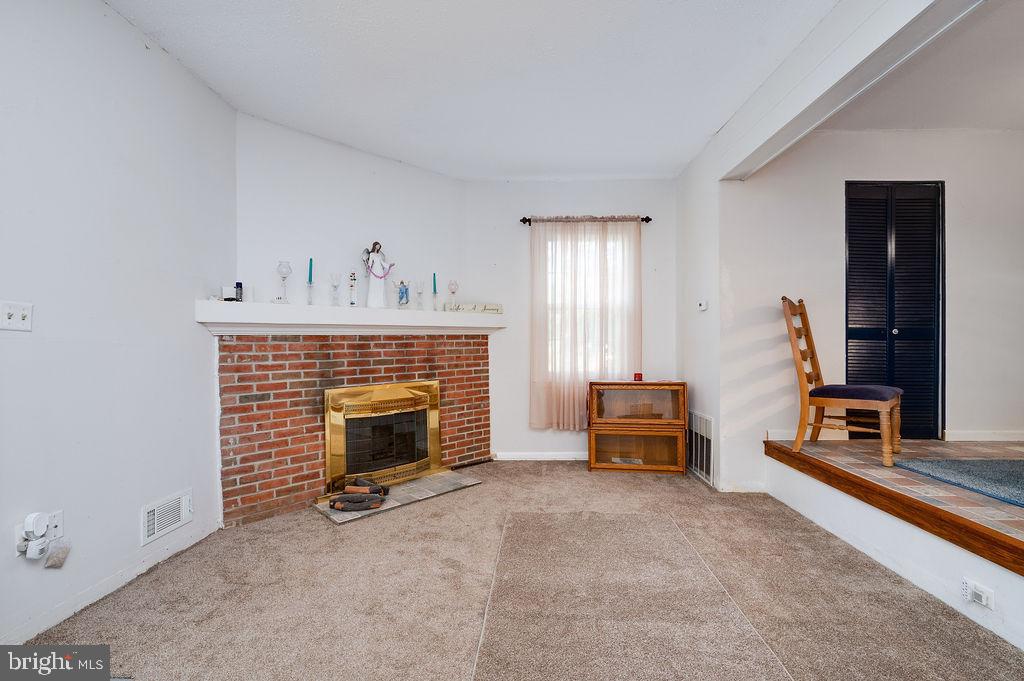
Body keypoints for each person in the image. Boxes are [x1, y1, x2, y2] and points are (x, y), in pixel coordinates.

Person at [361, 241, 394, 308]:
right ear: (375, 246)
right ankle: (372, 303)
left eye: (379, 246)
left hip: (380, 271)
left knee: (380, 286)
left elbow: (382, 263)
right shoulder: (372, 254)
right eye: (377, 245)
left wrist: (389, 265)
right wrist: (368, 270)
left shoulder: (379, 255)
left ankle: (380, 303)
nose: (378, 246)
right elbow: (370, 263)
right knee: (373, 286)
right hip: (374, 271)